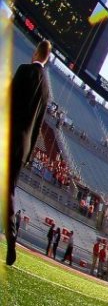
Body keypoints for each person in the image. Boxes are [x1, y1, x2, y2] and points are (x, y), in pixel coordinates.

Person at [5, 40, 52, 266]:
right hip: (22, 147)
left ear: (36, 53)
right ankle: (11, 241)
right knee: (9, 192)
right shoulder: (47, 89)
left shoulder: (25, 70)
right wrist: (29, 155)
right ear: (48, 58)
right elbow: (39, 126)